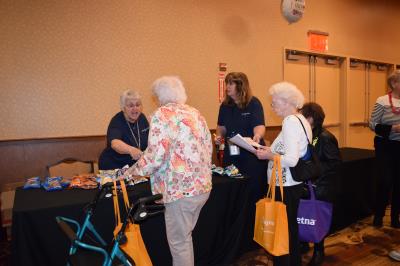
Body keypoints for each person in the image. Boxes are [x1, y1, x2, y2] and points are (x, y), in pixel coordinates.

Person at [124, 76, 212, 266]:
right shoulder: (195, 113)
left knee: (179, 242)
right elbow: (208, 148)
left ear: (160, 96)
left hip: (179, 191)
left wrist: (130, 173)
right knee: (185, 238)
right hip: (202, 187)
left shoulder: (161, 114)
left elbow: (155, 157)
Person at [256, 81, 309, 266]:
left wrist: (268, 155)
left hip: (285, 185)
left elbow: (291, 159)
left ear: (287, 101)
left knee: (281, 234)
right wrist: (270, 150)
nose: (272, 106)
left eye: (274, 102)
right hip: (291, 184)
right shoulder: (301, 119)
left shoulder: (290, 122)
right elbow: (289, 152)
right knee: (290, 231)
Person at [215, 72, 268, 204]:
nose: (227, 86)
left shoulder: (253, 103)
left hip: (251, 154)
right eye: (227, 83)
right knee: (233, 190)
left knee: (252, 190)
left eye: (231, 83)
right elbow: (221, 128)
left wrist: (258, 135)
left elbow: (259, 125)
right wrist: (219, 137)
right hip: (232, 154)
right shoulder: (225, 106)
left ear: (241, 85)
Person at [300, 102, 342, 266]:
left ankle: (319, 251)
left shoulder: (325, 138)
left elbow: (334, 164)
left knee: (316, 219)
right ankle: (304, 242)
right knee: (303, 216)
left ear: (310, 119)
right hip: (308, 184)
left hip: (321, 187)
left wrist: (312, 170)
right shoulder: (307, 135)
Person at [369, 70, 400, 229]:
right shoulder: (382, 100)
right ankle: (378, 216)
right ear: (394, 84)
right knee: (385, 181)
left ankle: (395, 218)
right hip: (385, 146)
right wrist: (392, 128)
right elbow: (372, 124)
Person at [98, 90, 149, 170]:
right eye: (131, 106)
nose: (135, 108)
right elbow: (115, 143)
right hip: (114, 166)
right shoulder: (117, 121)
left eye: (138, 105)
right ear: (123, 108)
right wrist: (131, 150)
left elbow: (149, 139)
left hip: (134, 167)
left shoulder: (142, 118)